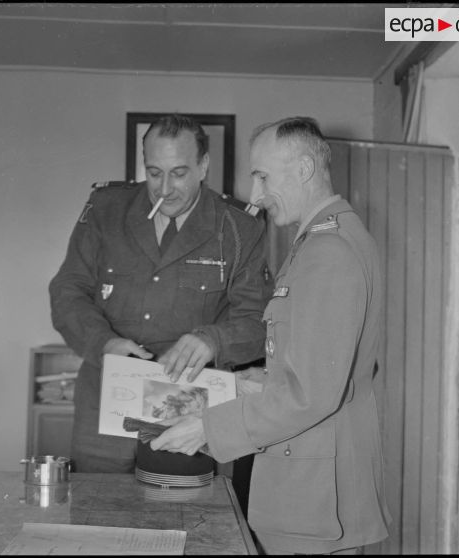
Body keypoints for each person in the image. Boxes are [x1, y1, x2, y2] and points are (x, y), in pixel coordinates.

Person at [150, 116, 392, 554]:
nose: (256, 197)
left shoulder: (328, 252)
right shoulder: (324, 242)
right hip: (313, 489)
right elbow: (317, 371)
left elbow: (311, 395)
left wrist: (206, 427)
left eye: (262, 176)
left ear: (302, 169)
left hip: (314, 498)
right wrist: (249, 383)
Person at [49, 114, 270, 473]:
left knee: (188, 518)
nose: (164, 189)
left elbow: (259, 321)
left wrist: (214, 340)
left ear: (203, 166)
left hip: (191, 415)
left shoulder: (238, 227)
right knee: (98, 519)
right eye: (154, 172)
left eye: (179, 173)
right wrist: (103, 342)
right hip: (104, 408)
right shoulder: (106, 210)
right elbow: (67, 290)